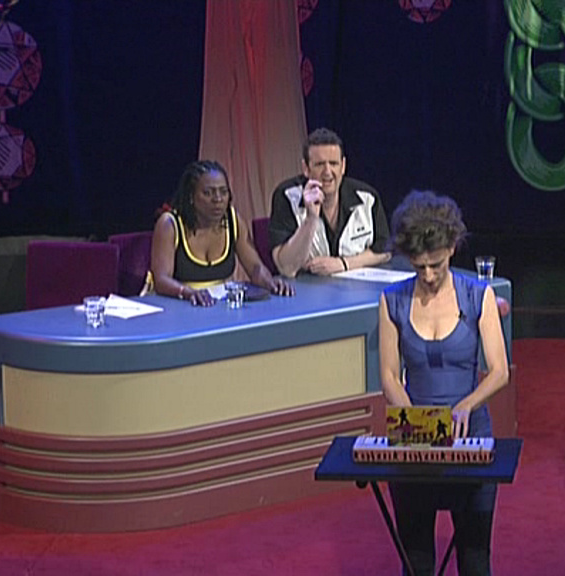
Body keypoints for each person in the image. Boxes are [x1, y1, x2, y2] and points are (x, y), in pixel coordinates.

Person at [378, 190, 509, 576]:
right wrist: (417, 423)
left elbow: (499, 371)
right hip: (414, 437)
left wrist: (466, 405)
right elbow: (389, 375)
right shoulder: (392, 300)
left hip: (470, 436)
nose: (429, 276)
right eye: (419, 267)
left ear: (452, 248)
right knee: (416, 559)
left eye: (435, 265)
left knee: (474, 558)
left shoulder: (478, 296)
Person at [151, 160, 293, 306]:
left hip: (216, 305)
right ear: (191, 197)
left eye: (223, 192)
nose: (218, 199)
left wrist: (270, 283)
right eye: (208, 193)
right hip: (178, 304)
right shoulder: (169, 224)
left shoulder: (233, 220)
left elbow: (255, 268)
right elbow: (161, 280)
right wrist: (189, 293)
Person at [268, 127, 391, 277]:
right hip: (305, 288)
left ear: (343, 166)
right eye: (319, 164)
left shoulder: (367, 197)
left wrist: (343, 264)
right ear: (306, 168)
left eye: (333, 163)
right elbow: (286, 268)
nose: (327, 172)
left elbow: (385, 251)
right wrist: (310, 219)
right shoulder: (287, 197)